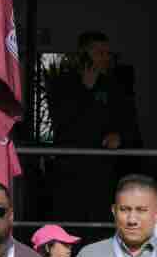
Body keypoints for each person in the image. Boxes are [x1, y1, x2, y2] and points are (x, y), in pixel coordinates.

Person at [46, 31, 135, 211]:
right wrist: (86, 90)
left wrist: (120, 137)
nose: (105, 58)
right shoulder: (63, 84)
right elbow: (61, 122)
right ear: (83, 55)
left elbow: (129, 123)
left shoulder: (114, 86)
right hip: (70, 169)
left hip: (103, 169)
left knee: (99, 220)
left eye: (107, 53)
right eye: (99, 53)